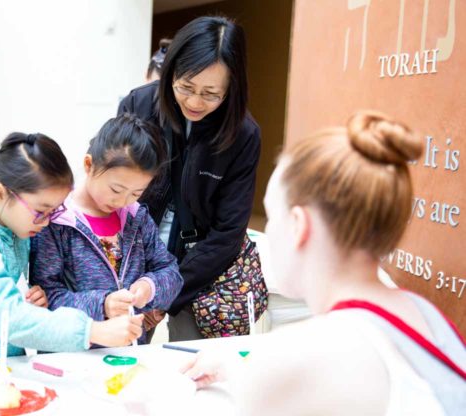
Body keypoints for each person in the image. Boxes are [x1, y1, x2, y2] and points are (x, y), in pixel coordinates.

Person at [181, 111, 466, 415]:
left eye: (271, 215)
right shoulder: (423, 312)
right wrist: (236, 367)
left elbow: (297, 371)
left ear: (298, 225)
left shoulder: (301, 356)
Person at [0, 132, 143, 361]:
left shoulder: (14, 229)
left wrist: (27, 298)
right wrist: (91, 330)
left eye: (53, 212)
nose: (46, 222)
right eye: (40, 211)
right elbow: (6, 317)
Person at [118, 16, 261, 341]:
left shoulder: (243, 134)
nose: (195, 102)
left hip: (199, 270)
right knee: (122, 360)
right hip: (134, 262)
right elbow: (112, 188)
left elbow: (228, 231)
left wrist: (167, 294)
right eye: (186, 87)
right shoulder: (139, 105)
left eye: (212, 94)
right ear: (169, 73)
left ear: (232, 88)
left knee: (192, 365)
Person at [30, 114, 183, 344]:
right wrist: (103, 305)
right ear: (89, 165)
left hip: (128, 355)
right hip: (71, 357)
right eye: (116, 189)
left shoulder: (136, 217)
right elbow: (47, 297)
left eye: (136, 193)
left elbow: (171, 272)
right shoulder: (58, 220)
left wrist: (149, 287)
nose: (123, 201)